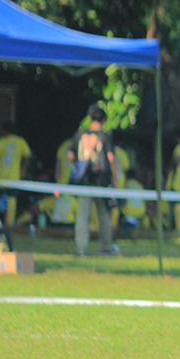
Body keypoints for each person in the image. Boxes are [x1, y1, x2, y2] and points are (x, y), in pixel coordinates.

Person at [68, 103, 120, 256]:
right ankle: (106, 247)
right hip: (101, 181)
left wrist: (78, 168)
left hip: (84, 181)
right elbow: (111, 159)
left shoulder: (80, 134)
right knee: (104, 215)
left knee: (83, 215)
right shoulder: (105, 136)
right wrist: (115, 180)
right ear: (103, 120)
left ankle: (81, 249)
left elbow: (70, 155)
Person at [0, 122, 32, 226]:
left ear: (6, 131)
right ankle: (10, 224)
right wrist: (23, 169)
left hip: (0, 175)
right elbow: (28, 155)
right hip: (14, 176)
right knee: (12, 200)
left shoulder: (2, 141)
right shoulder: (20, 142)